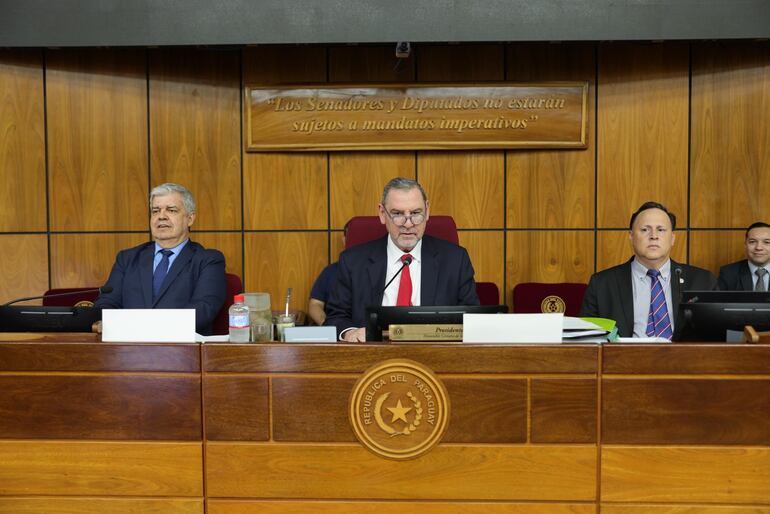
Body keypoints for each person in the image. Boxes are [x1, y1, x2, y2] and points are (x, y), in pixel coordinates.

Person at [325, 177, 479, 342]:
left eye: (415, 213)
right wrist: (350, 333)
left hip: (435, 354)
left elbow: (472, 320)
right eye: (398, 214)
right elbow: (335, 317)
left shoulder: (455, 260)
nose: (408, 224)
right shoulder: (353, 261)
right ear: (383, 214)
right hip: (372, 356)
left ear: (427, 211)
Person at [95, 183, 226, 335]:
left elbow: (203, 310)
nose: (161, 216)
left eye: (171, 210)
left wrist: (141, 326)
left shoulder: (208, 260)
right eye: (155, 211)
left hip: (183, 351)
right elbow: (107, 303)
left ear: (190, 218)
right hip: (128, 349)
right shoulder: (127, 259)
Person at [580, 201, 716, 340]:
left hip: (685, 360)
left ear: (672, 238)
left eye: (661, 230)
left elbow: (717, 335)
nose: (653, 236)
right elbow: (587, 341)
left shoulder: (703, 281)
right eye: (645, 230)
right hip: (624, 359)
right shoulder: (602, 284)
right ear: (631, 237)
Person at [307, 221, 350, 326]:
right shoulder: (331, 271)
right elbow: (315, 304)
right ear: (344, 240)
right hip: (336, 331)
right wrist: (329, 326)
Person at [718, 222, 770, 291]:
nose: (758, 247)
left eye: (766, 242)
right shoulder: (728, 273)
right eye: (752, 242)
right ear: (745, 245)